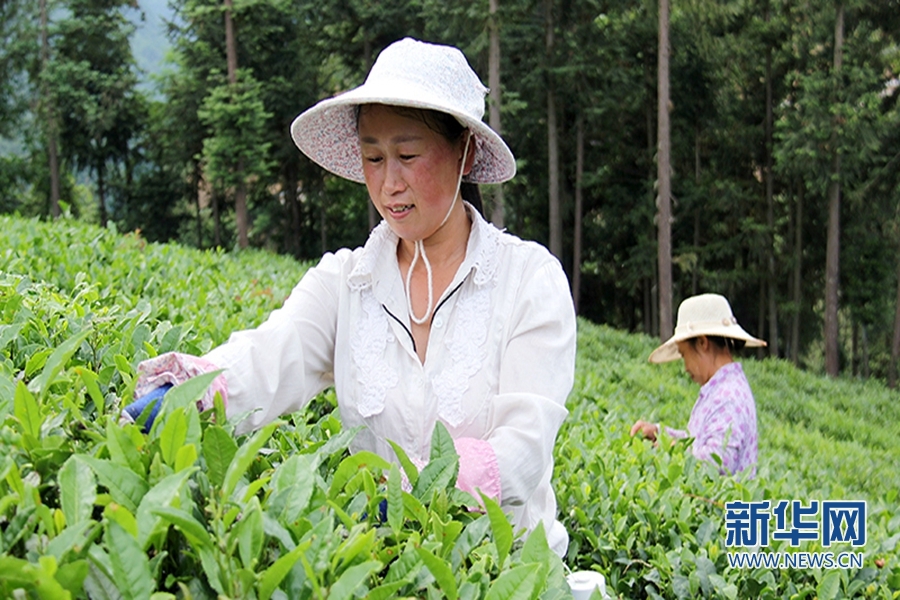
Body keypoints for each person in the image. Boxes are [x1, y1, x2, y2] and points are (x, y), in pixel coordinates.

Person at [121, 38, 576, 556]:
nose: (388, 184)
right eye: (373, 158)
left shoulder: (528, 280)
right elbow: (270, 354)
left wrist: (417, 493)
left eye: (407, 155)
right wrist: (188, 394)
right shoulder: (348, 281)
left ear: (465, 150)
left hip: (506, 574)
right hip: (385, 567)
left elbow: (524, 448)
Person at [630, 293, 764, 477]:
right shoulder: (720, 389)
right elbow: (701, 443)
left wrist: (670, 450)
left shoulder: (729, 397)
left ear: (702, 343)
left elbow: (713, 466)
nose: (685, 367)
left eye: (684, 354)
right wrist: (661, 434)